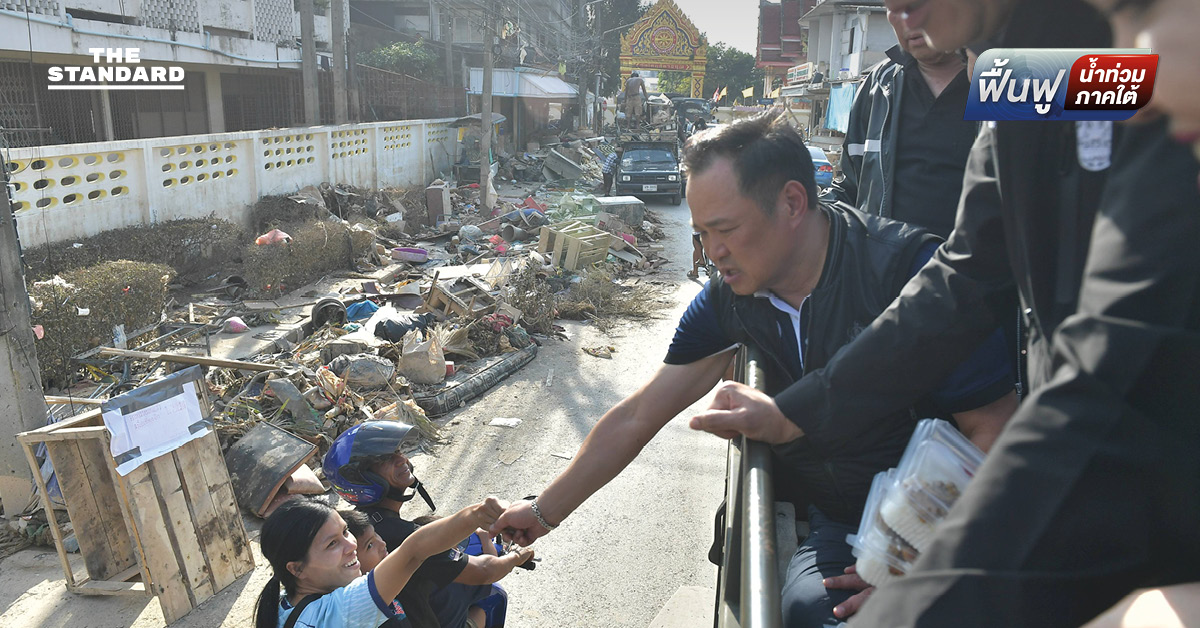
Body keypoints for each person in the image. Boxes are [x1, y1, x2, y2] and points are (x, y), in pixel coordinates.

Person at [683, 1, 1200, 626]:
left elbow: (1116, 348)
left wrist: (926, 587)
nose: (901, 10)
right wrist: (799, 411)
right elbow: (963, 276)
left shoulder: (1128, 58)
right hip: (1082, 430)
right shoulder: (1021, 72)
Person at [490, 112, 1016, 628]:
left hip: (943, 521)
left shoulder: (909, 275)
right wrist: (541, 513)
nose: (712, 253)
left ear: (792, 202)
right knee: (813, 609)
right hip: (842, 523)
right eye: (701, 234)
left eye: (726, 230)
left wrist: (921, 561)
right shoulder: (731, 299)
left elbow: (994, 431)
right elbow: (638, 416)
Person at [325, 421, 534, 628]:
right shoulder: (401, 536)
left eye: (398, 451)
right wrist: (517, 556)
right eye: (384, 459)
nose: (401, 459)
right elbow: (486, 572)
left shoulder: (357, 526)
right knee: (485, 605)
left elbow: (441, 528)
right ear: (360, 477)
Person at [822, 7, 973, 239]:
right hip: (889, 271)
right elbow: (850, 189)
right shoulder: (877, 86)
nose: (907, 18)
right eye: (895, 7)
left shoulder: (1014, 79)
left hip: (981, 271)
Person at [253, 495, 503, 628]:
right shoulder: (340, 611)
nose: (351, 546)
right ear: (297, 568)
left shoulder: (283, 601)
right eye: (332, 544)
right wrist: (477, 516)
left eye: (345, 532)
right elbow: (414, 551)